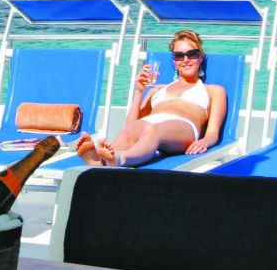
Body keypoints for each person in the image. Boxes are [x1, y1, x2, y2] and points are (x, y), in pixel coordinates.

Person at [76, 29, 227, 167]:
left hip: (184, 128)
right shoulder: (158, 89)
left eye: (192, 54)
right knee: (127, 134)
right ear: (174, 61)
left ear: (200, 57)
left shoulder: (214, 91)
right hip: (151, 123)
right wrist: (139, 91)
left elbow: (213, 132)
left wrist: (204, 142)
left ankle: (120, 159)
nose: (186, 60)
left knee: (152, 130)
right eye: (179, 56)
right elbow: (131, 124)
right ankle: (100, 161)